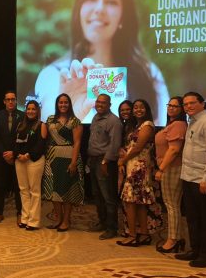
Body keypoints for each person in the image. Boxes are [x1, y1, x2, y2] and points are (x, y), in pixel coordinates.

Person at [34, 0, 169, 125]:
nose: (99, 8)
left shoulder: (148, 74)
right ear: (79, 9)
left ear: (123, 17)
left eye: (111, 1)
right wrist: (67, 117)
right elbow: (47, 132)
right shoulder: (53, 76)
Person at [176, 92, 206, 268]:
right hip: (189, 177)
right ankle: (195, 250)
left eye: (192, 103)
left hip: (203, 180)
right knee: (192, 217)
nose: (188, 106)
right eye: (185, 104)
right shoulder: (193, 121)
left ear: (203, 103)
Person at [117, 100, 163, 239]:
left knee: (130, 201)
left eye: (141, 107)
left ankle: (132, 236)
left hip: (139, 167)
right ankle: (143, 234)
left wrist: (122, 160)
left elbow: (138, 148)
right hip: (133, 165)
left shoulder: (147, 125)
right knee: (139, 202)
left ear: (147, 109)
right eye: (135, 107)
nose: (138, 110)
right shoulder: (136, 125)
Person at [42, 94, 84, 232]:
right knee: (53, 190)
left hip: (69, 157)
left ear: (70, 104)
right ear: (57, 104)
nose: (63, 105)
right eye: (60, 102)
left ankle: (66, 220)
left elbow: (77, 142)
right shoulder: (50, 119)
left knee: (67, 191)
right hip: (52, 158)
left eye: (66, 102)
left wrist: (73, 162)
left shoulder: (75, 121)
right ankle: (58, 219)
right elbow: (43, 136)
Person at [87, 94, 123, 240]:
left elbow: (115, 144)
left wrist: (105, 162)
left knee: (108, 196)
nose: (100, 104)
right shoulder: (95, 117)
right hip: (93, 159)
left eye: (103, 102)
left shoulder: (114, 121)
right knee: (97, 194)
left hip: (105, 161)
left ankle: (112, 228)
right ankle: (102, 222)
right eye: (98, 102)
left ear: (109, 105)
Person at [155, 96, 187, 253]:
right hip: (169, 167)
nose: (171, 108)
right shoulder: (172, 124)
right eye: (169, 105)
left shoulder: (179, 125)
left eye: (175, 106)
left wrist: (161, 169)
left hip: (172, 168)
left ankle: (173, 240)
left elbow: (174, 150)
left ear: (182, 109)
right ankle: (177, 237)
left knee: (171, 205)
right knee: (172, 204)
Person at [13, 100, 47, 230]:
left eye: (33, 109)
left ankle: (33, 221)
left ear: (37, 111)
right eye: (28, 109)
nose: (30, 111)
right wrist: (18, 155)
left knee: (34, 191)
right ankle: (25, 218)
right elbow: (15, 143)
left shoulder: (42, 125)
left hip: (34, 160)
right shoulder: (20, 125)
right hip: (19, 161)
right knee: (23, 190)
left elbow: (41, 145)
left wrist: (27, 155)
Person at [0, 90, 24, 224]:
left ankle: (20, 213)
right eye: (8, 99)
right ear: (4, 101)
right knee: (0, 185)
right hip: (2, 157)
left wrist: (13, 153)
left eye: (13, 99)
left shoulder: (23, 116)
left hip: (17, 157)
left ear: (16, 101)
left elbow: (23, 138)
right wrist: (4, 153)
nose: (11, 102)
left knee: (18, 187)